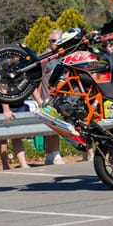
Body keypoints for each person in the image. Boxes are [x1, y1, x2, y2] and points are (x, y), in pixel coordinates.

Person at [42, 29, 66, 165]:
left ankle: (50, 155)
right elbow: (36, 80)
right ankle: (54, 154)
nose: (55, 44)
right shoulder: (45, 57)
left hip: (61, 98)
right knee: (52, 128)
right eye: (53, 41)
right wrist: (38, 99)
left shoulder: (63, 56)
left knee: (56, 127)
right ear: (48, 42)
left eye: (58, 41)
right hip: (47, 98)